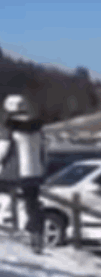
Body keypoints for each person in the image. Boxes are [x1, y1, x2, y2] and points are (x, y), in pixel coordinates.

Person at [0, 94, 46, 254]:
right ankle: (36, 238)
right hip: (35, 173)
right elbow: (44, 151)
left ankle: (7, 225)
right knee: (32, 205)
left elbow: (2, 151)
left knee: (5, 195)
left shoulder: (8, 127)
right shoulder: (38, 128)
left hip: (14, 173)